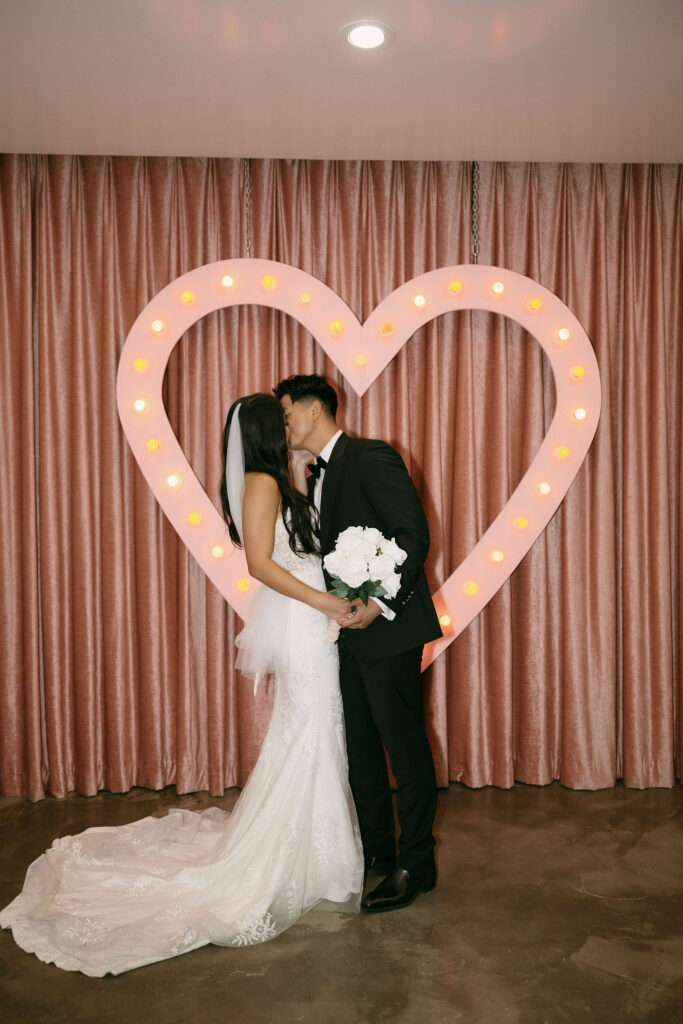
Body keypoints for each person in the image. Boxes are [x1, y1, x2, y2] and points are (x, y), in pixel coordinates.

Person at [0, 393, 362, 976]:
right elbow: (261, 566)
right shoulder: (262, 484)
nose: (294, 419)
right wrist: (324, 600)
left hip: (310, 624)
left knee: (315, 730)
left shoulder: (277, 478)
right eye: (286, 415)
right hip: (302, 623)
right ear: (273, 428)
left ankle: (321, 854)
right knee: (312, 730)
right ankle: (309, 860)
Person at [273, 374, 442, 913]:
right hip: (342, 633)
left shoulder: (371, 456)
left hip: (389, 629)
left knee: (403, 745)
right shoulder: (309, 474)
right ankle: (379, 856)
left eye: (286, 414)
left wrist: (379, 604)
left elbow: (412, 536)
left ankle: (418, 862)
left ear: (316, 408)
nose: (284, 425)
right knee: (361, 750)